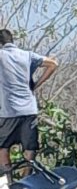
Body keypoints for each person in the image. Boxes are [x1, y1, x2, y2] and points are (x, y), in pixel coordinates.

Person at [0, 29, 58, 172]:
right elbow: (53, 64)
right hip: (29, 109)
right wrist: (36, 84)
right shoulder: (27, 55)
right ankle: (27, 182)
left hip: (8, 110)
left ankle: (8, 182)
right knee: (29, 148)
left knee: (2, 147)